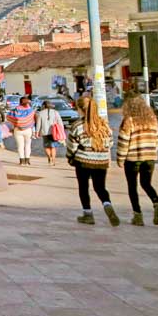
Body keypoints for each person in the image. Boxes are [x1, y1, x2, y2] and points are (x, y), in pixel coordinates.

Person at [66, 96, 118, 226]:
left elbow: (72, 146)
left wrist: (70, 158)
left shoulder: (78, 125)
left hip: (83, 160)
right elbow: (110, 143)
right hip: (101, 161)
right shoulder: (104, 125)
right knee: (100, 187)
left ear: (80, 109)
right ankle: (107, 204)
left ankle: (88, 214)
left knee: (83, 188)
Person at [116, 94, 158, 226]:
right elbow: (156, 139)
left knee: (132, 186)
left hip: (133, 158)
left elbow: (123, 141)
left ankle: (137, 216)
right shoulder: (152, 119)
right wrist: (153, 152)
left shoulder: (129, 120)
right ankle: (157, 204)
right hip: (150, 157)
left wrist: (120, 158)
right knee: (146, 183)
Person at [35, 100, 64, 166]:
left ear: (43, 106)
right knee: (53, 147)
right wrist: (62, 130)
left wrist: (37, 132)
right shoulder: (55, 112)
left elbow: (38, 124)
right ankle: (53, 160)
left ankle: (49, 157)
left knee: (46, 146)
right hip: (54, 132)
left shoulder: (40, 113)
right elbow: (60, 122)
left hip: (44, 132)